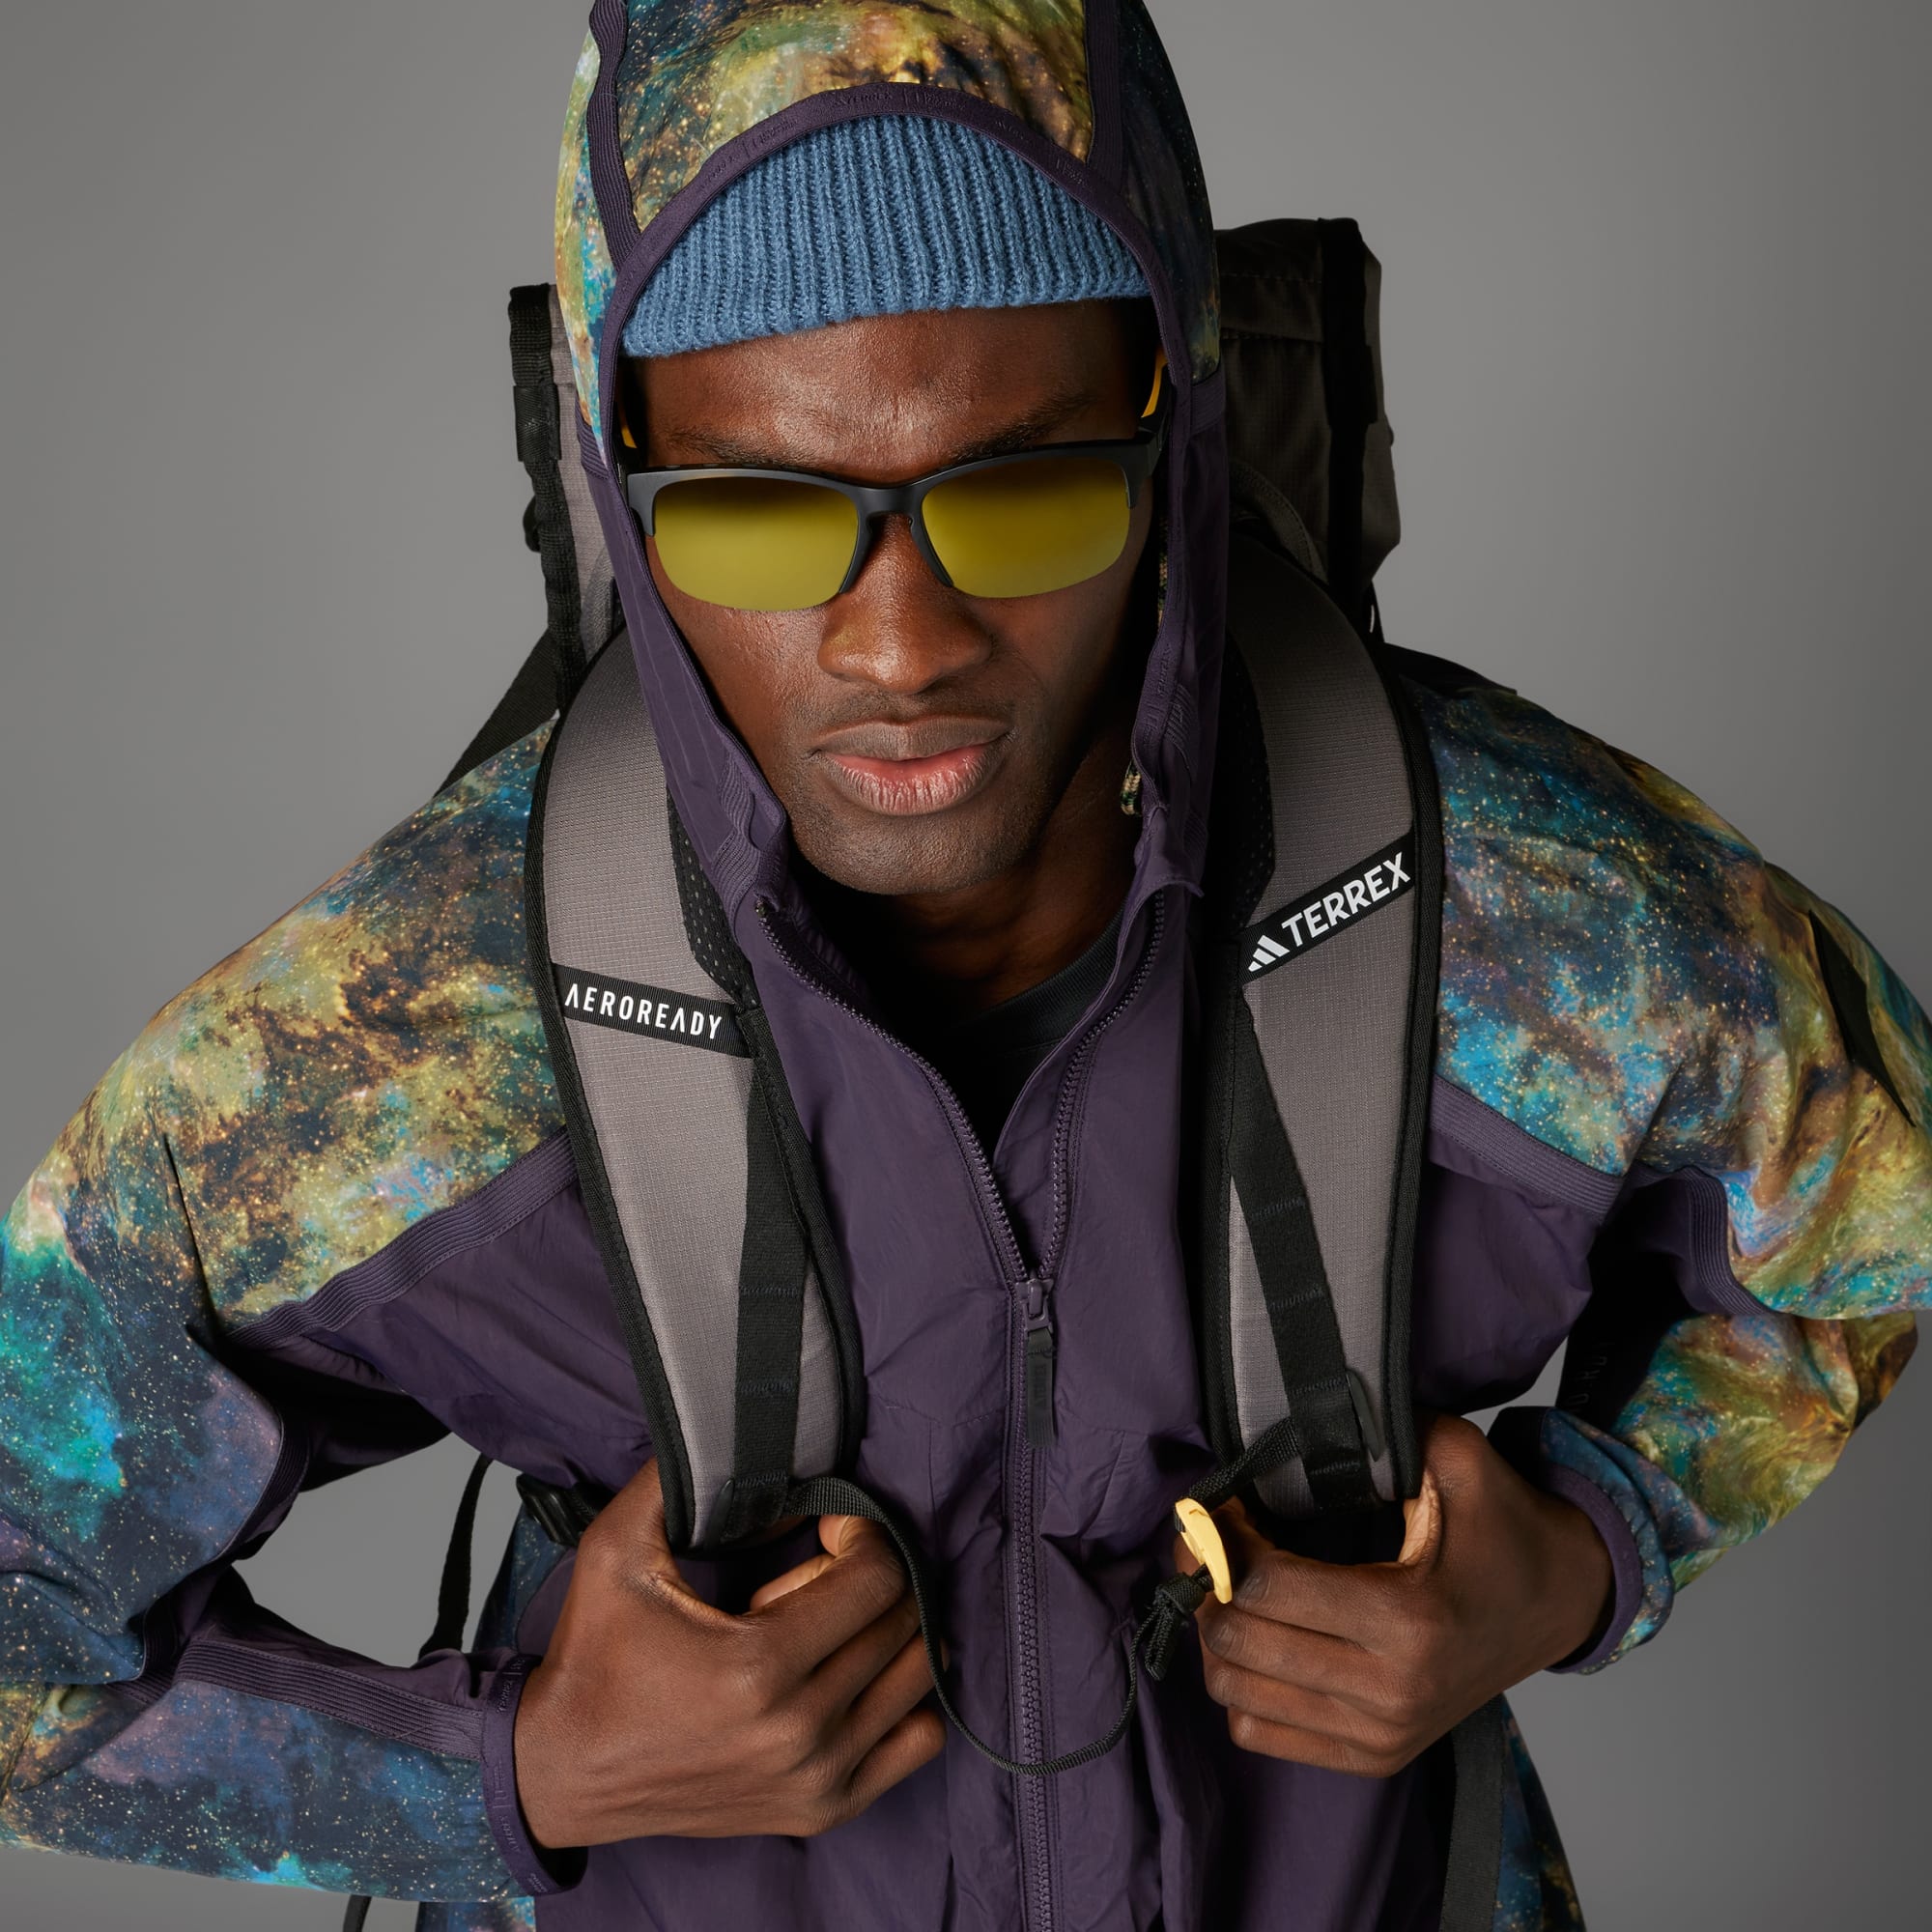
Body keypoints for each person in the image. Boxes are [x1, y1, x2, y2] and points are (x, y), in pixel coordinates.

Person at [1, 4, 1924, 1928]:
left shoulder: (1533, 933)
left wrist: (1580, 1557)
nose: (902, 644)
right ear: (625, 486)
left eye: (1025, 495)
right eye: (759, 518)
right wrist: (522, 1772)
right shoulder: (404, 1048)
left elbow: (1873, 1224)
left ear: (1171, 442)